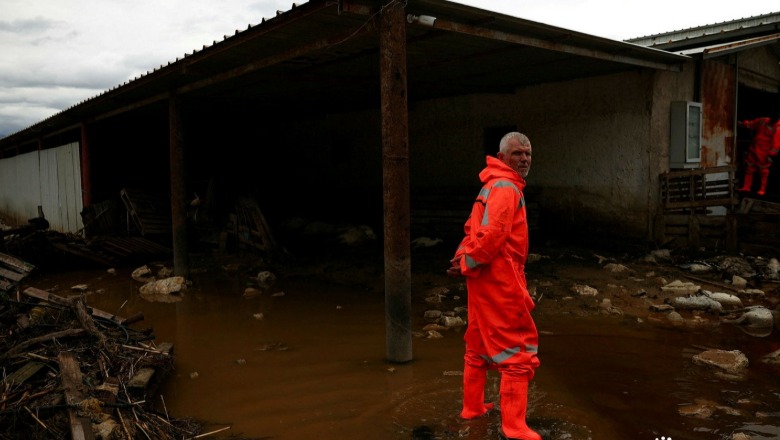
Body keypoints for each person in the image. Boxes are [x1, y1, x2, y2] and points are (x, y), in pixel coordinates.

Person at [447, 131, 541, 440]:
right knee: (518, 350)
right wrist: (466, 262)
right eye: (517, 153)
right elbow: (492, 236)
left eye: (527, 153)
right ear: (502, 158)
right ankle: (514, 428)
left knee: (477, 345)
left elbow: (472, 231)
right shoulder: (506, 188)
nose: (524, 158)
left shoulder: (491, 185)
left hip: (483, 281)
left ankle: (472, 409)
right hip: (500, 280)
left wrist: (463, 259)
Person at [737, 115, 780, 196]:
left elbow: (776, 144)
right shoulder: (763, 120)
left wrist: (771, 155)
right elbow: (752, 124)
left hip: (764, 153)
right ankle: (746, 187)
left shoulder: (778, 127)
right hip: (754, 149)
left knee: (763, 171)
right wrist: (742, 124)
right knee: (749, 168)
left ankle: (762, 190)